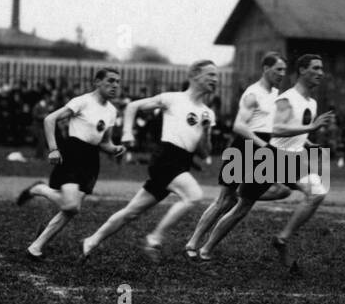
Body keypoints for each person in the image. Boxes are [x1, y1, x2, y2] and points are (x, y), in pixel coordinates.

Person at [197, 54, 335, 272]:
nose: (321, 72)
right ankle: (206, 248)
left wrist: (308, 143)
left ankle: (282, 238)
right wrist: (311, 128)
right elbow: (278, 129)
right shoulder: (287, 99)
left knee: (318, 190)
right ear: (302, 70)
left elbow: (293, 130)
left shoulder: (312, 102)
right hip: (272, 157)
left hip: (293, 158)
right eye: (316, 68)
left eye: (322, 68)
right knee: (241, 209)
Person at [81, 60, 219, 261]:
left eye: (216, 76)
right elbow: (132, 107)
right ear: (195, 76)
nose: (215, 80)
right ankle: (154, 238)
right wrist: (128, 132)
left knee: (131, 212)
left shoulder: (208, 113)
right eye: (211, 75)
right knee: (194, 195)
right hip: (166, 159)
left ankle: (91, 240)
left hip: (182, 162)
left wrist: (206, 131)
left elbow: (205, 153)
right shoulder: (173, 99)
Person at [184, 53, 290, 259]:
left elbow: (275, 126)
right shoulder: (253, 93)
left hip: (264, 150)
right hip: (245, 147)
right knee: (224, 200)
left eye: (284, 70)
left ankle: (206, 248)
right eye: (278, 69)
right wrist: (262, 144)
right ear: (265, 68)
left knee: (270, 194)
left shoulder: (277, 94)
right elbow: (239, 125)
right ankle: (193, 243)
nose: (282, 74)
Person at [17, 69, 125, 260]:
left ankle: (36, 247)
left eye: (117, 81)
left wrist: (115, 148)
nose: (115, 85)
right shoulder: (82, 101)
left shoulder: (111, 111)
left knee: (69, 210)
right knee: (72, 206)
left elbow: (104, 142)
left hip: (91, 160)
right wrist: (53, 149)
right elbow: (49, 119)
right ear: (97, 82)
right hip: (73, 153)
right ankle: (39, 189)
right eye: (110, 81)